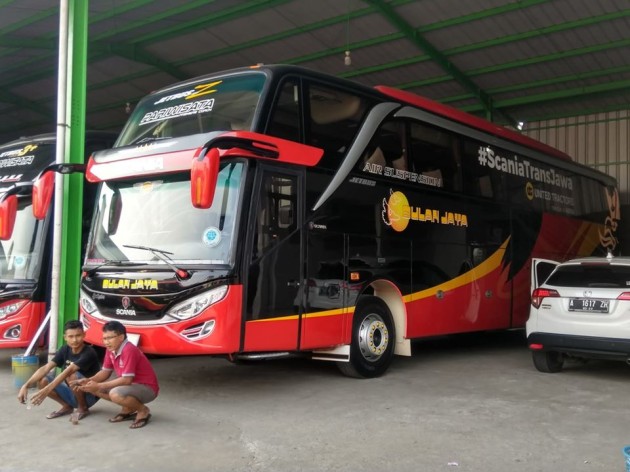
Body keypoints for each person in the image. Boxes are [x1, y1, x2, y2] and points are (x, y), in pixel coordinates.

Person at [74, 320, 159, 429]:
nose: (106, 342)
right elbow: (105, 372)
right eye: (104, 338)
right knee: (93, 388)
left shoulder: (129, 349)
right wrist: (89, 380)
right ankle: (128, 408)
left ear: (121, 337)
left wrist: (98, 385)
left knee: (115, 393)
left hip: (147, 388)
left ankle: (143, 410)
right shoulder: (111, 349)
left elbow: (127, 380)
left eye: (110, 338)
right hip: (130, 386)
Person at [17, 319, 100, 421]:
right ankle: (67, 406)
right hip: (72, 391)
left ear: (84, 335)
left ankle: (83, 408)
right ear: (65, 337)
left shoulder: (89, 352)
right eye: (70, 336)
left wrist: (46, 390)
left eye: (78, 335)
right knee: (43, 380)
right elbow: (46, 368)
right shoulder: (65, 349)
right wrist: (26, 385)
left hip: (90, 395)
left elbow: (68, 371)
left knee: (71, 374)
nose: (74, 340)